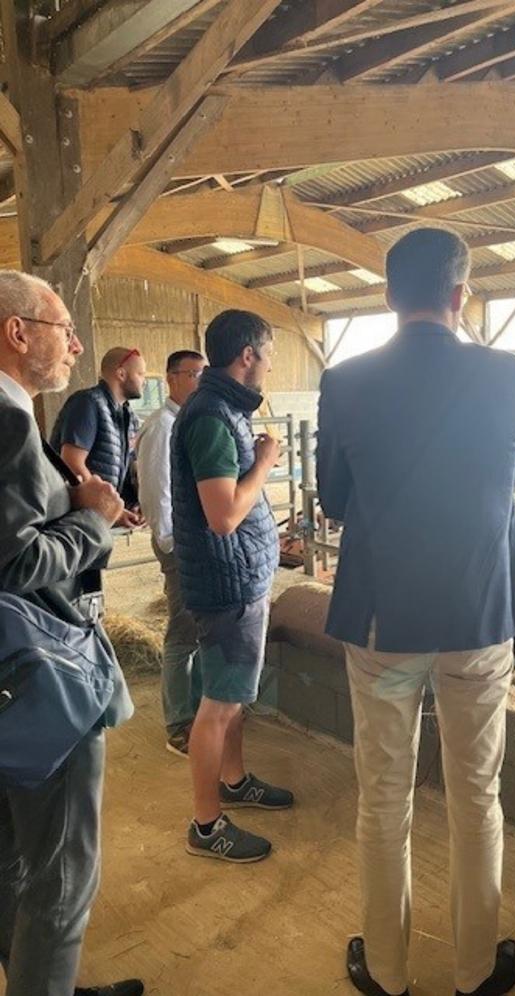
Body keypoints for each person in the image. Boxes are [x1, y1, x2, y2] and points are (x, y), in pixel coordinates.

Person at [316, 228, 515, 996]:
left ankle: (385, 972)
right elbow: (502, 486)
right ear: (459, 295)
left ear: (387, 295)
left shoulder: (344, 381)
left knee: (383, 795)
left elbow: (335, 501)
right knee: (477, 795)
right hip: (479, 619)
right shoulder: (508, 375)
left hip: (383, 625)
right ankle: (476, 972)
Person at [0, 270, 143, 996]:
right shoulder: (7, 418)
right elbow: (19, 559)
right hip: (37, 681)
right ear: (18, 332)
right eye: (63, 327)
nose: (75, 343)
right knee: (61, 877)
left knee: (12, 859)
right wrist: (91, 515)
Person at [171, 309, 294, 863]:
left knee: (233, 697)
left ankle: (234, 780)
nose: (268, 364)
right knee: (218, 705)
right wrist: (266, 461)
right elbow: (222, 515)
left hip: (239, 576)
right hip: (227, 584)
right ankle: (205, 825)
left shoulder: (225, 410)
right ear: (248, 355)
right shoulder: (211, 417)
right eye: (267, 353)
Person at [136, 349, 206, 757]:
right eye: (191, 373)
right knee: (181, 632)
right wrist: (171, 544)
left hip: (190, 542)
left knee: (195, 629)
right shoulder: (162, 427)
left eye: (203, 373)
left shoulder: (184, 423)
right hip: (178, 543)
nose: (198, 380)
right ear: (170, 379)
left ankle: (196, 710)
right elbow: (155, 493)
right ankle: (178, 724)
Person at [50, 346, 147, 527]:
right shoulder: (88, 403)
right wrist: (110, 509)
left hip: (98, 517)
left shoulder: (129, 417)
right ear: (121, 374)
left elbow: (127, 470)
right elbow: (72, 463)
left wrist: (133, 504)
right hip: (73, 517)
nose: (144, 381)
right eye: (140, 374)